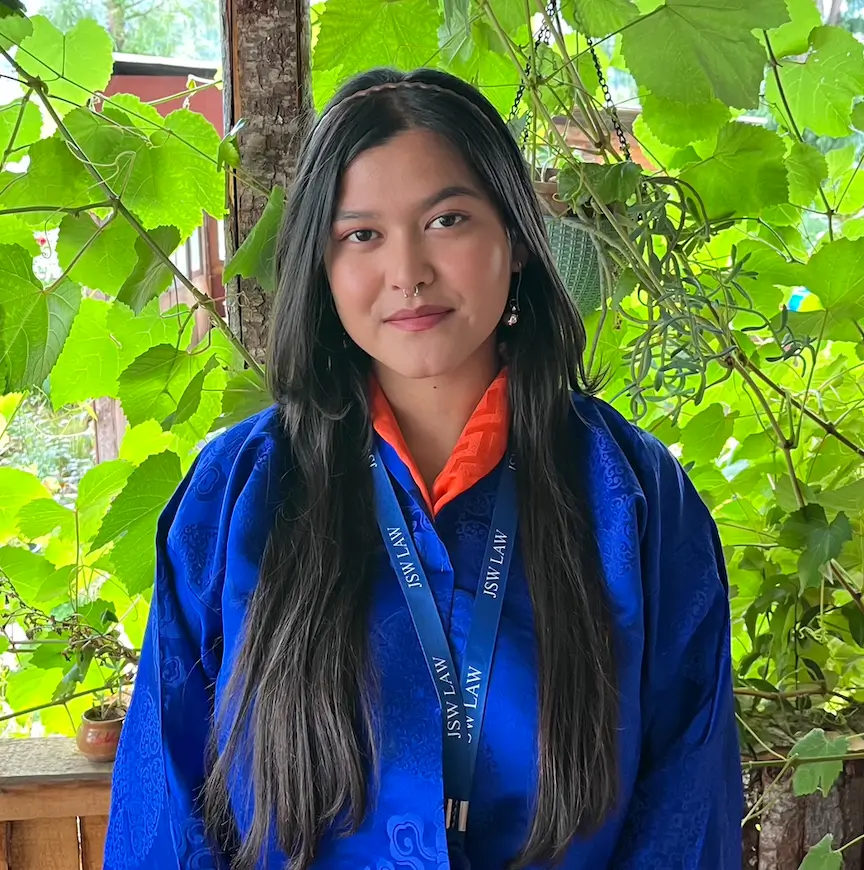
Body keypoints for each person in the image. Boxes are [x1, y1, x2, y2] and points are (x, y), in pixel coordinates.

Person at [103, 67, 743, 870]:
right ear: (322, 266)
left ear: (516, 238)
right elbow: (165, 812)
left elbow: (688, 810)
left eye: (447, 220)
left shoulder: (634, 498)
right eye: (361, 234)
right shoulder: (237, 494)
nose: (408, 272)